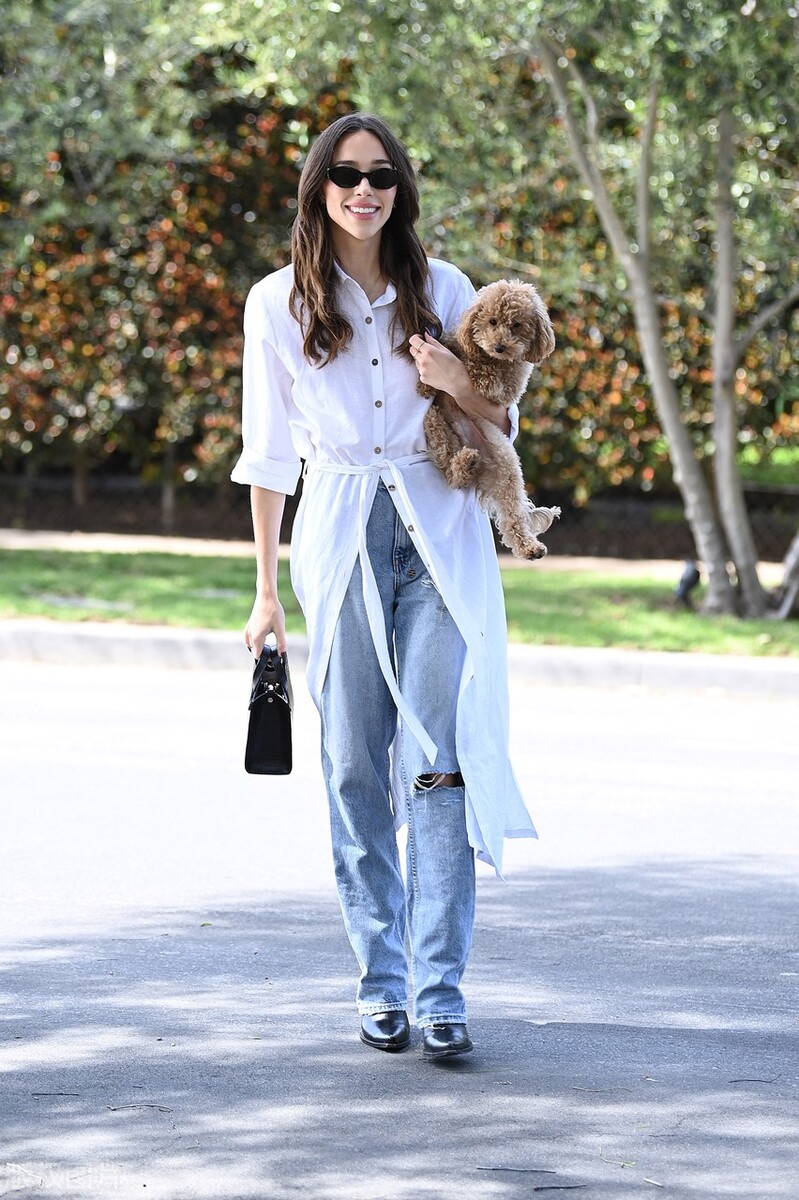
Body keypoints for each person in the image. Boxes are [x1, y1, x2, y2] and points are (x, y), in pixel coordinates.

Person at [231, 112, 536, 1061]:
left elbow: (501, 421)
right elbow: (267, 456)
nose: (363, 191)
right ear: (318, 187)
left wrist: (450, 376)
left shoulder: (444, 288)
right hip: (338, 533)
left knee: (437, 758)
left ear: (399, 189)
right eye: (345, 175)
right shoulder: (276, 302)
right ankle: (381, 982)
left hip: (439, 531)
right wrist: (265, 593)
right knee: (355, 763)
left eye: (381, 176)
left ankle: (441, 989)